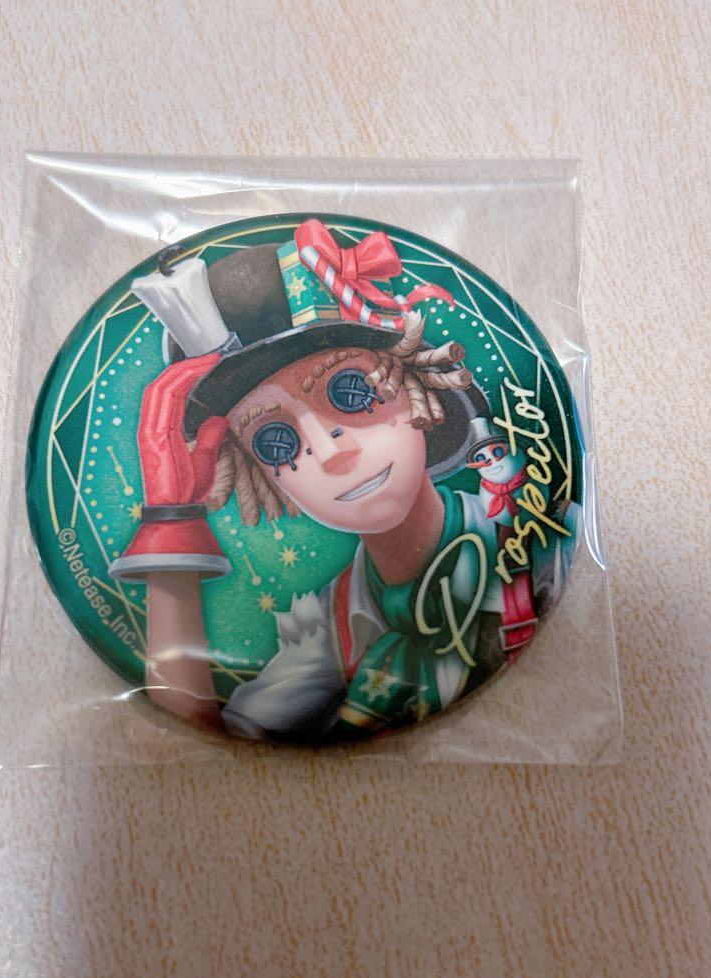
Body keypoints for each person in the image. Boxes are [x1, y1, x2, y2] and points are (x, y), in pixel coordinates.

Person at [109, 219, 572, 742]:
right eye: (276, 442)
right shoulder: (331, 630)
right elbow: (192, 729)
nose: (331, 453)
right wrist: (173, 521)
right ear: (261, 476)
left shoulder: (541, 533)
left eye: (351, 392)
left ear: (416, 386)